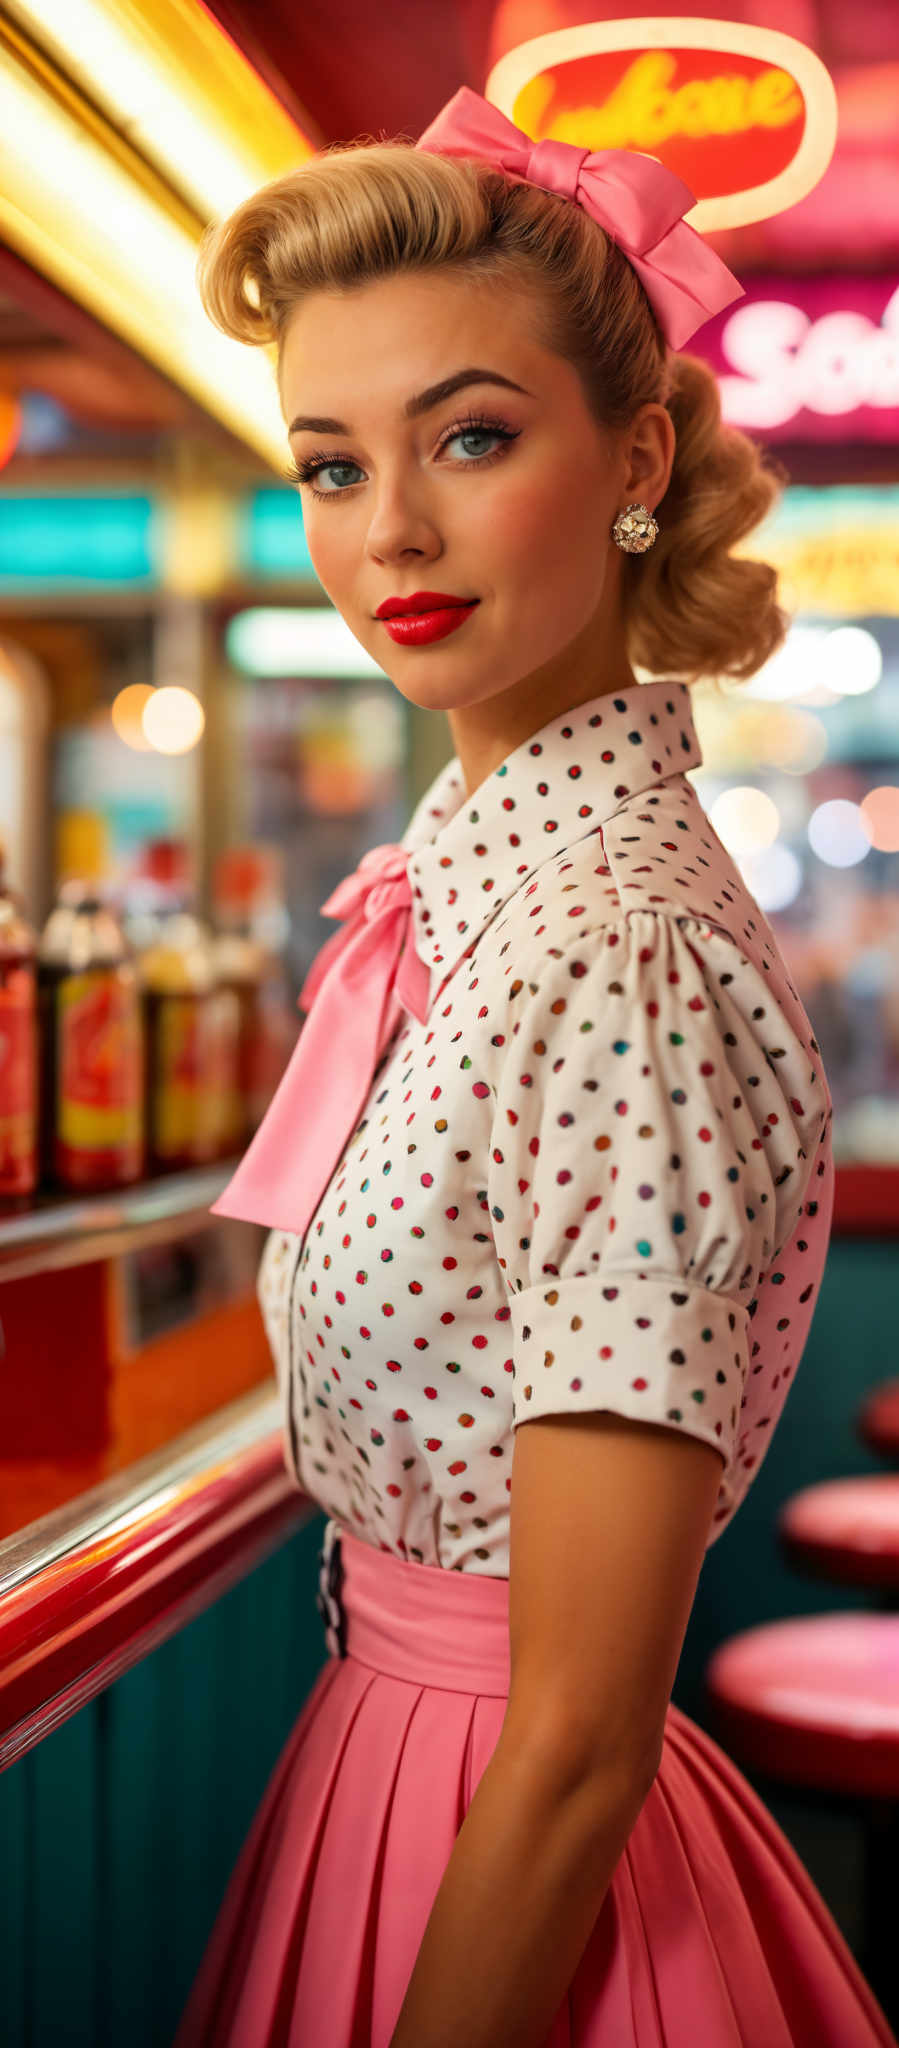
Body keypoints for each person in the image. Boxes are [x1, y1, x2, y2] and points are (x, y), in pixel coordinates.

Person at [172, 86, 898, 2048]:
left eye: (470, 437)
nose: (387, 531)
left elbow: (578, 1728)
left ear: (633, 453)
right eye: (330, 467)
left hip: (511, 1841)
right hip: (419, 1782)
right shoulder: (482, 898)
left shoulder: (612, 954)